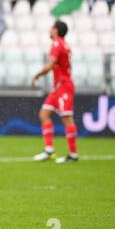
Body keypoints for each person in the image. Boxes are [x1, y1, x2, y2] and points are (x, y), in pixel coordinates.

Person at [32, 20, 78, 164]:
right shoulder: (64, 44)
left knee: (67, 118)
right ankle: (49, 150)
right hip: (58, 87)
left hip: (64, 86)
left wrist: (37, 75)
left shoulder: (57, 44)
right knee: (44, 114)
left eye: (51, 27)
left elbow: (50, 65)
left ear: (56, 30)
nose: (49, 30)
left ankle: (72, 154)